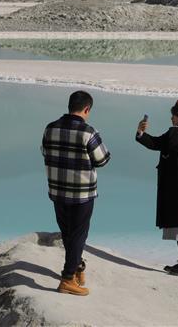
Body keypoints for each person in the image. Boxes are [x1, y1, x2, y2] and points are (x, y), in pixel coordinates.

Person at [41, 90, 111, 295]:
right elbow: (103, 160)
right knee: (79, 234)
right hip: (81, 193)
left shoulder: (50, 128)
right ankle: (67, 278)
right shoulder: (88, 132)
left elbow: (44, 151)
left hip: (57, 189)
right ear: (87, 109)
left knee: (68, 232)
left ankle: (77, 266)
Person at [135, 99, 178, 277]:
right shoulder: (176, 131)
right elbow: (156, 143)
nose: (172, 118)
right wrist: (141, 133)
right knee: (176, 221)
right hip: (171, 180)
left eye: (175, 115)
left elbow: (172, 144)